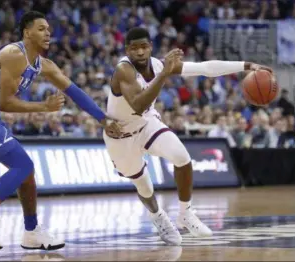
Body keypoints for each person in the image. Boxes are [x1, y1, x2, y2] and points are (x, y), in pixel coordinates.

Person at [0, 11, 121, 251]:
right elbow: (5, 102)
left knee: (27, 175)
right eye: (41, 29)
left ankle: (31, 232)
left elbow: (74, 92)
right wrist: (44, 106)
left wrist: (102, 118)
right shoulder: (13, 54)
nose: (48, 33)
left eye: (49, 30)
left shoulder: (43, 64)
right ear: (26, 32)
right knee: (23, 165)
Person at [103, 27, 273, 245]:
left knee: (182, 157)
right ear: (127, 49)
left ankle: (185, 213)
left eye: (144, 46)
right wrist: (165, 73)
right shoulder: (123, 71)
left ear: (150, 47)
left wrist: (247, 65)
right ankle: (158, 216)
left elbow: (205, 68)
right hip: (121, 136)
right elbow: (138, 104)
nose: (140, 52)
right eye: (134, 48)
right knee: (144, 186)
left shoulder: (156, 64)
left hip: (147, 125)